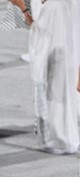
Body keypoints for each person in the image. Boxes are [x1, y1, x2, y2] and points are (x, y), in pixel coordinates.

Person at [28, 0, 80, 154]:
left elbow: (41, 42)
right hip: (70, 60)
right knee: (66, 101)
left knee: (56, 101)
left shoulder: (52, 7)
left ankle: (60, 141)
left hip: (58, 61)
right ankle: (68, 139)